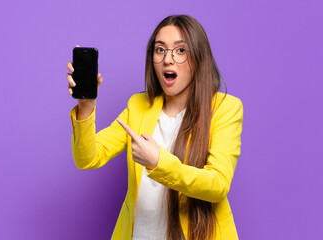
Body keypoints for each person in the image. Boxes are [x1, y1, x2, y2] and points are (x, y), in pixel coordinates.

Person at [66, 15, 243, 240]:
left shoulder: (226, 108)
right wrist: (86, 106)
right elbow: (88, 158)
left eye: (180, 50)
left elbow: (217, 184)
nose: (168, 59)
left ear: (199, 58)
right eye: (160, 50)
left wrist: (158, 162)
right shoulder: (138, 106)